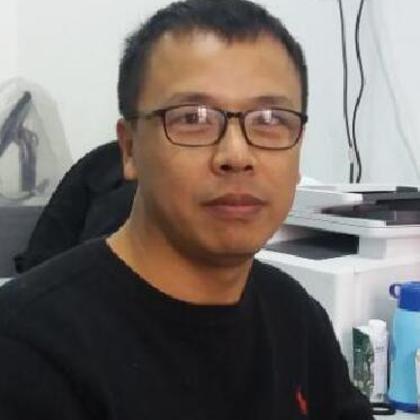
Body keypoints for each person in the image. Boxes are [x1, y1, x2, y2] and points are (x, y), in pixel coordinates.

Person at [0, 0, 373, 419]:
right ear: (129, 149)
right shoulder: (27, 349)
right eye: (193, 118)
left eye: (270, 119)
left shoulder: (296, 317)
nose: (237, 155)